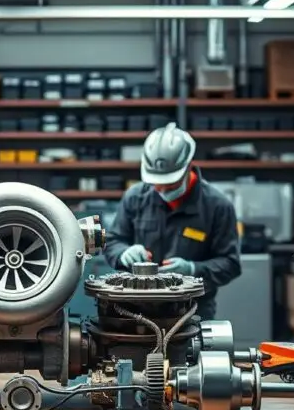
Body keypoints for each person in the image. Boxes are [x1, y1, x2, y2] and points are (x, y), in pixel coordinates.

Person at [103, 122, 241, 320]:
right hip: (138, 311)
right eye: (156, 182)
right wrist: (123, 253)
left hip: (192, 312)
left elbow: (230, 263)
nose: (161, 189)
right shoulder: (135, 197)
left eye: (169, 182)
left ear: (188, 167)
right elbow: (113, 240)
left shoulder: (217, 206)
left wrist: (193, 270)